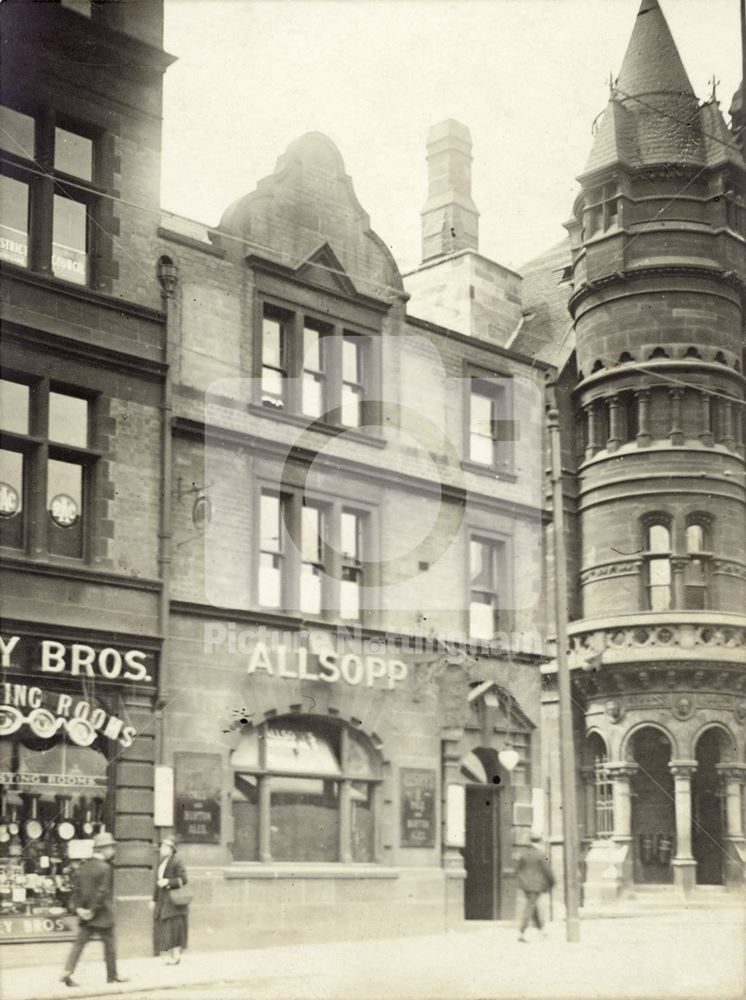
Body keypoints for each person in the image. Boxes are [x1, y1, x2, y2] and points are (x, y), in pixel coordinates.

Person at [60, 831, 129, 987]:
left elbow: (76, 891)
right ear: (102, 849)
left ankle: (68, 971)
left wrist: (79, 910)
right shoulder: (105, 868)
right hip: (102, 915)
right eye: (110, 847)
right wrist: (92, 910)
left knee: (79, 944)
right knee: (110, 946)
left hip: (85, 916)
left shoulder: (84, 866)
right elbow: (102, 892)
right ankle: (112, 976)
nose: (113, 850)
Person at [151, 837, 189, 964]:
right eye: (162, 847)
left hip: (173, 901)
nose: (162, 849)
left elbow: (183, 879)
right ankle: (168, 954)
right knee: (165, 927)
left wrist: (168, 882)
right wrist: (154, 899)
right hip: (163, 899)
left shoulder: (177, 861)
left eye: (164, 847)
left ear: (172, 849)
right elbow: (157, 882)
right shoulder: (162, 862)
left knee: (174, 927)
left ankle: (176, 955)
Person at [515, 833, 555, 942]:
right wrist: (552, 882)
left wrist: (522, 880)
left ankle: (542, 929)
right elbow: (548, 871)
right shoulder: (542, 855)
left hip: (525, 885)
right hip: (537, 885)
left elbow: (517, 869)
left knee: (533, 906)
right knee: (530, 907)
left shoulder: (524, 854)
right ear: (540, 841)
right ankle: (521, 932)